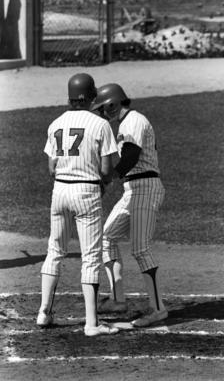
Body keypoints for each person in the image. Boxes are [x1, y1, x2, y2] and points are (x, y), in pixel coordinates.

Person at [36, 73, 120, 337]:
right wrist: (103, 183)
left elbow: (51, 167)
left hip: (59, 190)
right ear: (92, 95)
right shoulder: (100, 124)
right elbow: (107, 168)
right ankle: (92, 323)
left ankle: (44, 312)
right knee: (91, 257)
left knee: (55, 250)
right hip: (86, 192)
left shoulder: (56, 123)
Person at [91, 83, 168, 327]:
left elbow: (132, 155)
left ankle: (158, 309)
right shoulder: (125, 124)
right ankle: (117, 300)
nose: (102, 114)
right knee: (107, 237)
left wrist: (109, 177)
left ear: (113, 104)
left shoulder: (134, 120)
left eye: (103, 109)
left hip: (145, 188)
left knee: (140, 249)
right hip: (132, 190)